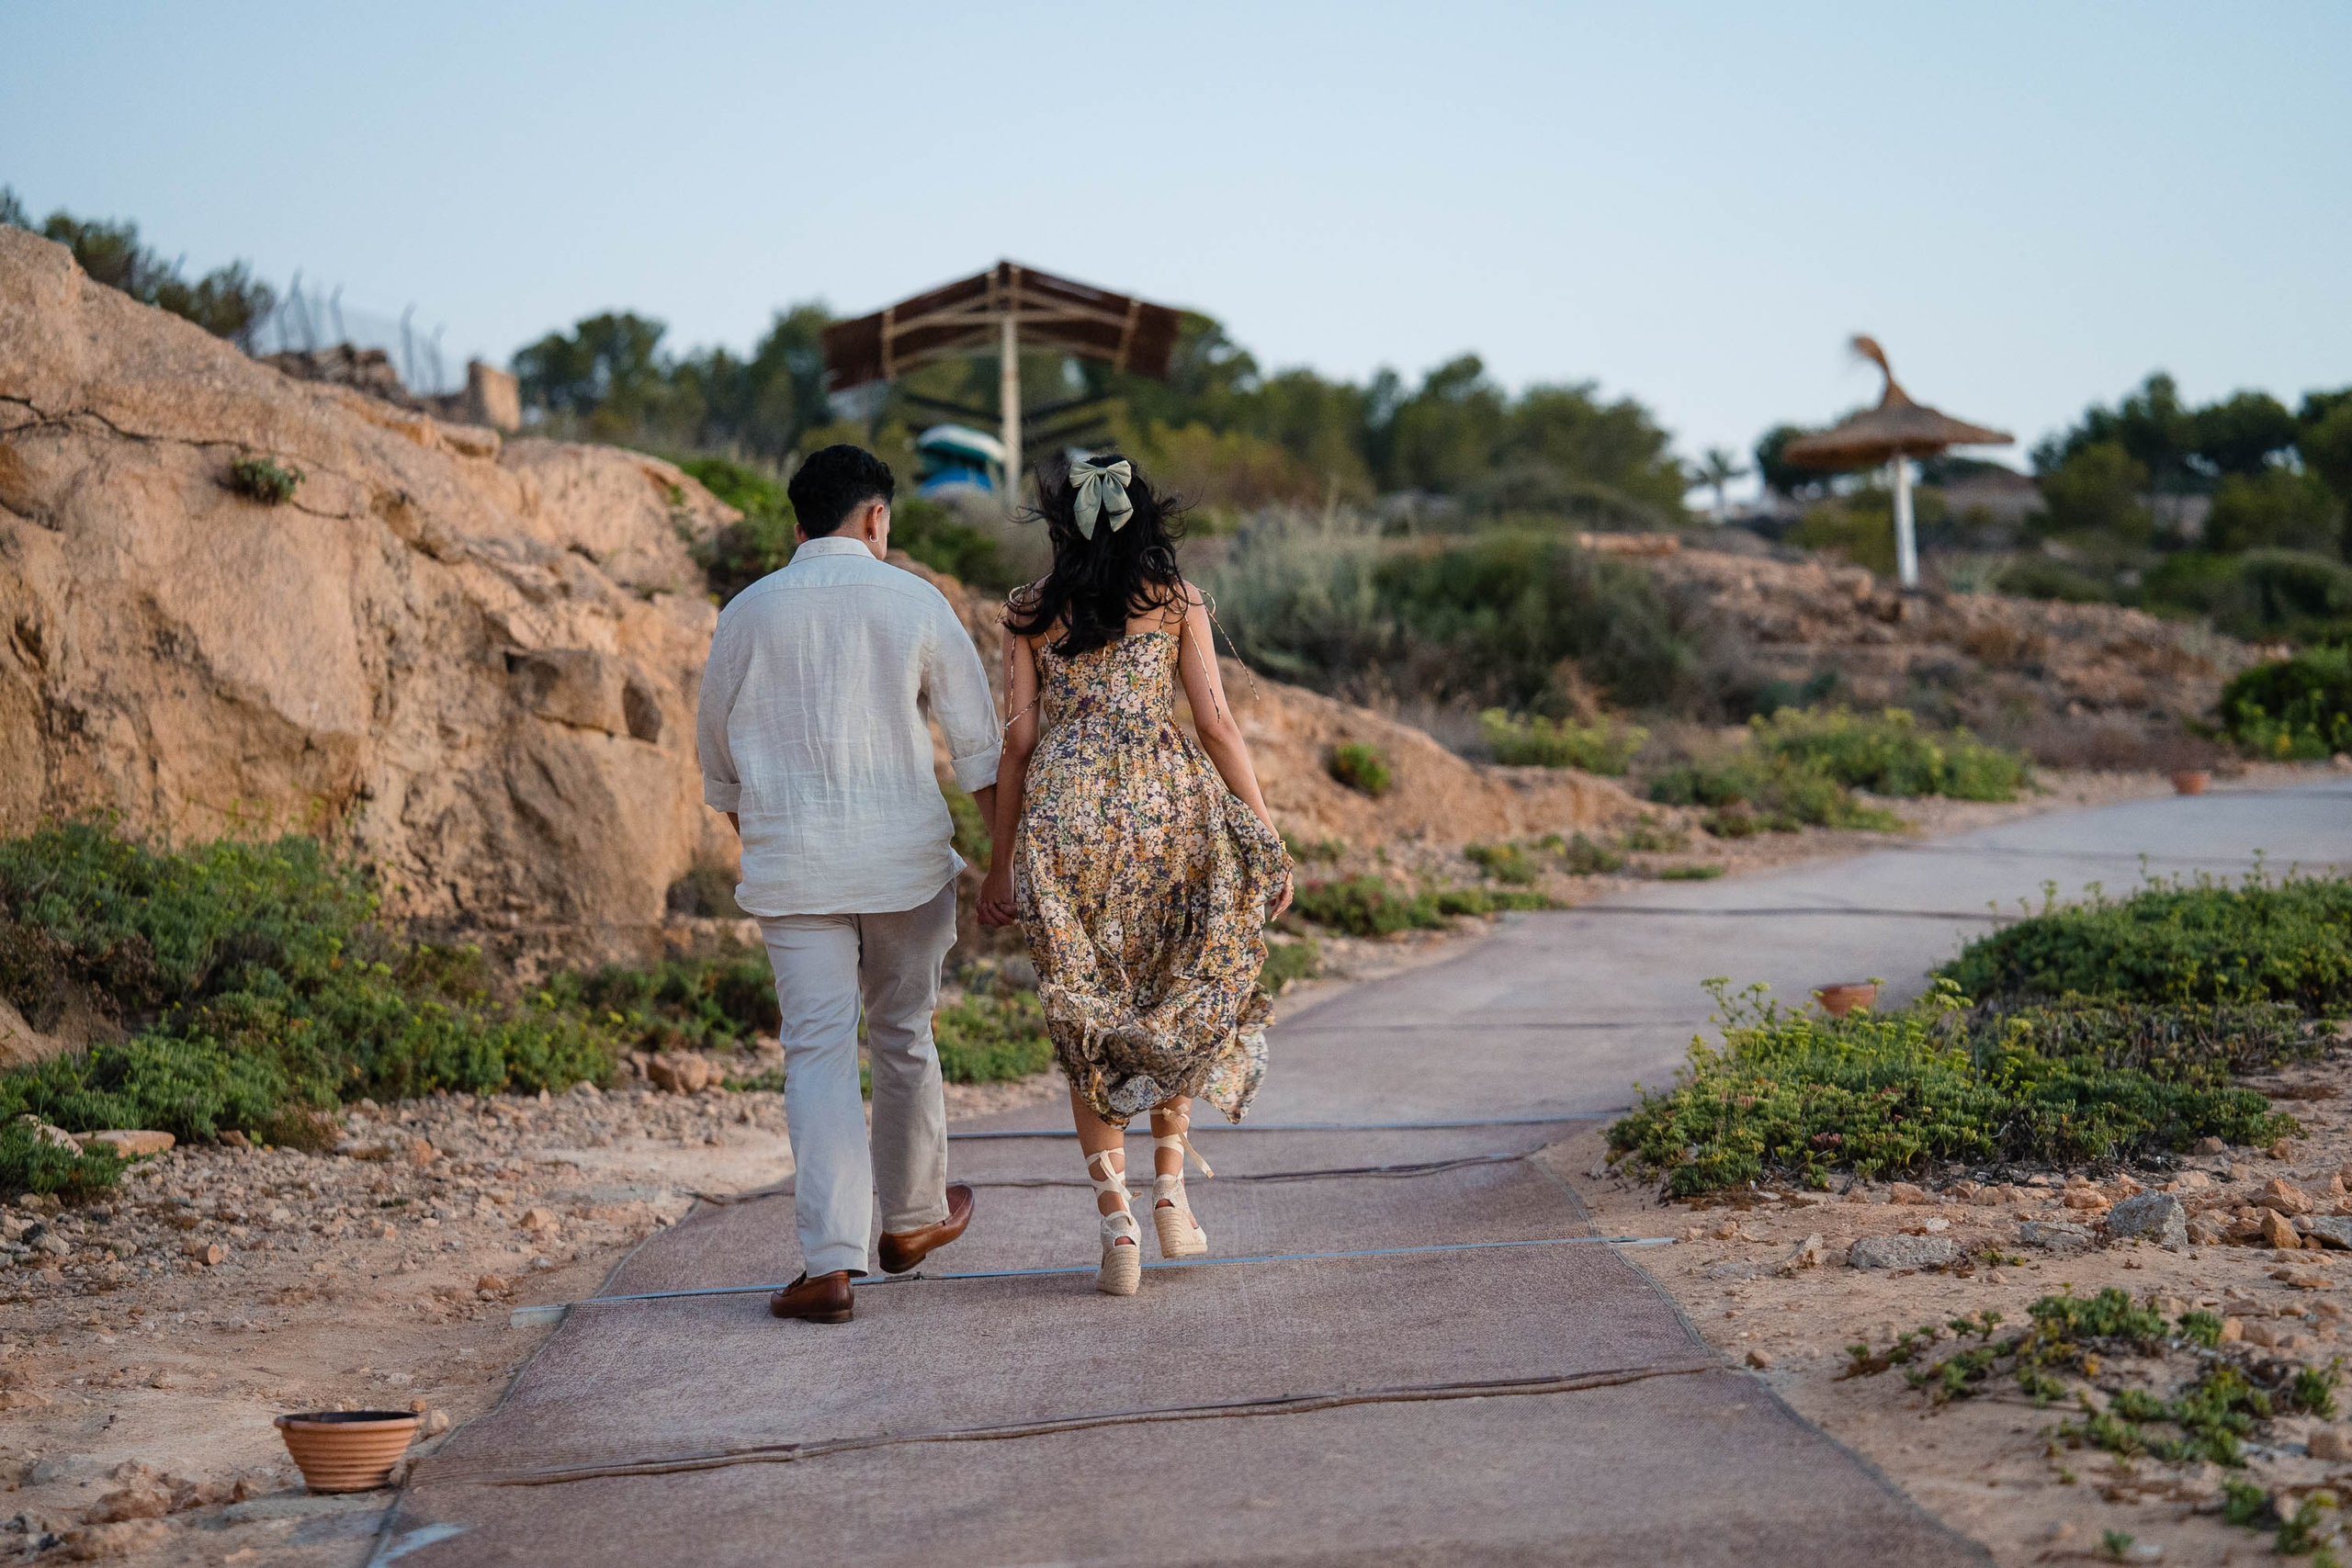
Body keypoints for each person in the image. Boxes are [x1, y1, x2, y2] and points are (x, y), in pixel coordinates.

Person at [695, 445, 1000, 1324]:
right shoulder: (915, 599)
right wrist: (1007, 862)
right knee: (904, 1031)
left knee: (818, 1052)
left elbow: (718, 761)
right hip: (907, 866)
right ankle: (912, 1218)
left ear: (797, 526)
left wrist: (771, 840)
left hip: (794, 871)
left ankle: (829, 1264)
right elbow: (977, 747)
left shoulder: (745, 613)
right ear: (876, 517)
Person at [978, 453, 1293, 1295]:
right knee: (1173, 992)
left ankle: (1116, 1223)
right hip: (1166, 813)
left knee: (1088, 1014)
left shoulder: (1028, 612)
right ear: (1145, 520)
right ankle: (1171, 1194)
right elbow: (1217, 725)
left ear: (1062, 526)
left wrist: (1001, 865)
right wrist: (1265, 835)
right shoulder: (1176, 601)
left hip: (1067, 819)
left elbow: (1017, 745)